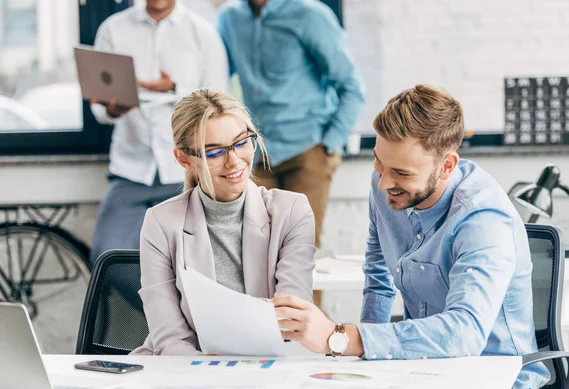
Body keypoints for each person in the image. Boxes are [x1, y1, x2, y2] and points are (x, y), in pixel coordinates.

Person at [272, 85, 550, 389]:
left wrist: (340, 339)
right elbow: (379, 279)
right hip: (425, 373)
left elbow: (465, 333)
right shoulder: (385, 186)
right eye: (378, 162)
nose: (384, 182)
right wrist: (360, 368)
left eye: (401, 173)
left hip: (496, 383)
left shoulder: (483, 219)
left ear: (447, 165)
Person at [132, 89, 315, 355]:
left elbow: (289, 321)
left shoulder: (292, 212)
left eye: (242, 143)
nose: (234, 161)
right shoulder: (161, 222)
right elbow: (169, 336)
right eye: (214, 152)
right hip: (184, 369)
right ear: (184, 159)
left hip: (267, 365)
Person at [217, 0, 365, 249]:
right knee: (253, 249)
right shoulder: (229, 17)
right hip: (255, 151)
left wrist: (331, 143)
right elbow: (218, 73)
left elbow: (352, 87)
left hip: (307, 150)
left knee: (301, 249)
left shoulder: (309, 15)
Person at [89, 0, 229, 263]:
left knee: (191, 262)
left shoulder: (203, 33)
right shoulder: (113, 29)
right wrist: (113, 110)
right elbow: (100, 106)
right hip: (130, 171)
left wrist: (175, 88)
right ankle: (142, 305)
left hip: (186, 173)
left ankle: (166, 303)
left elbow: (220, 106)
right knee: (105, 258)